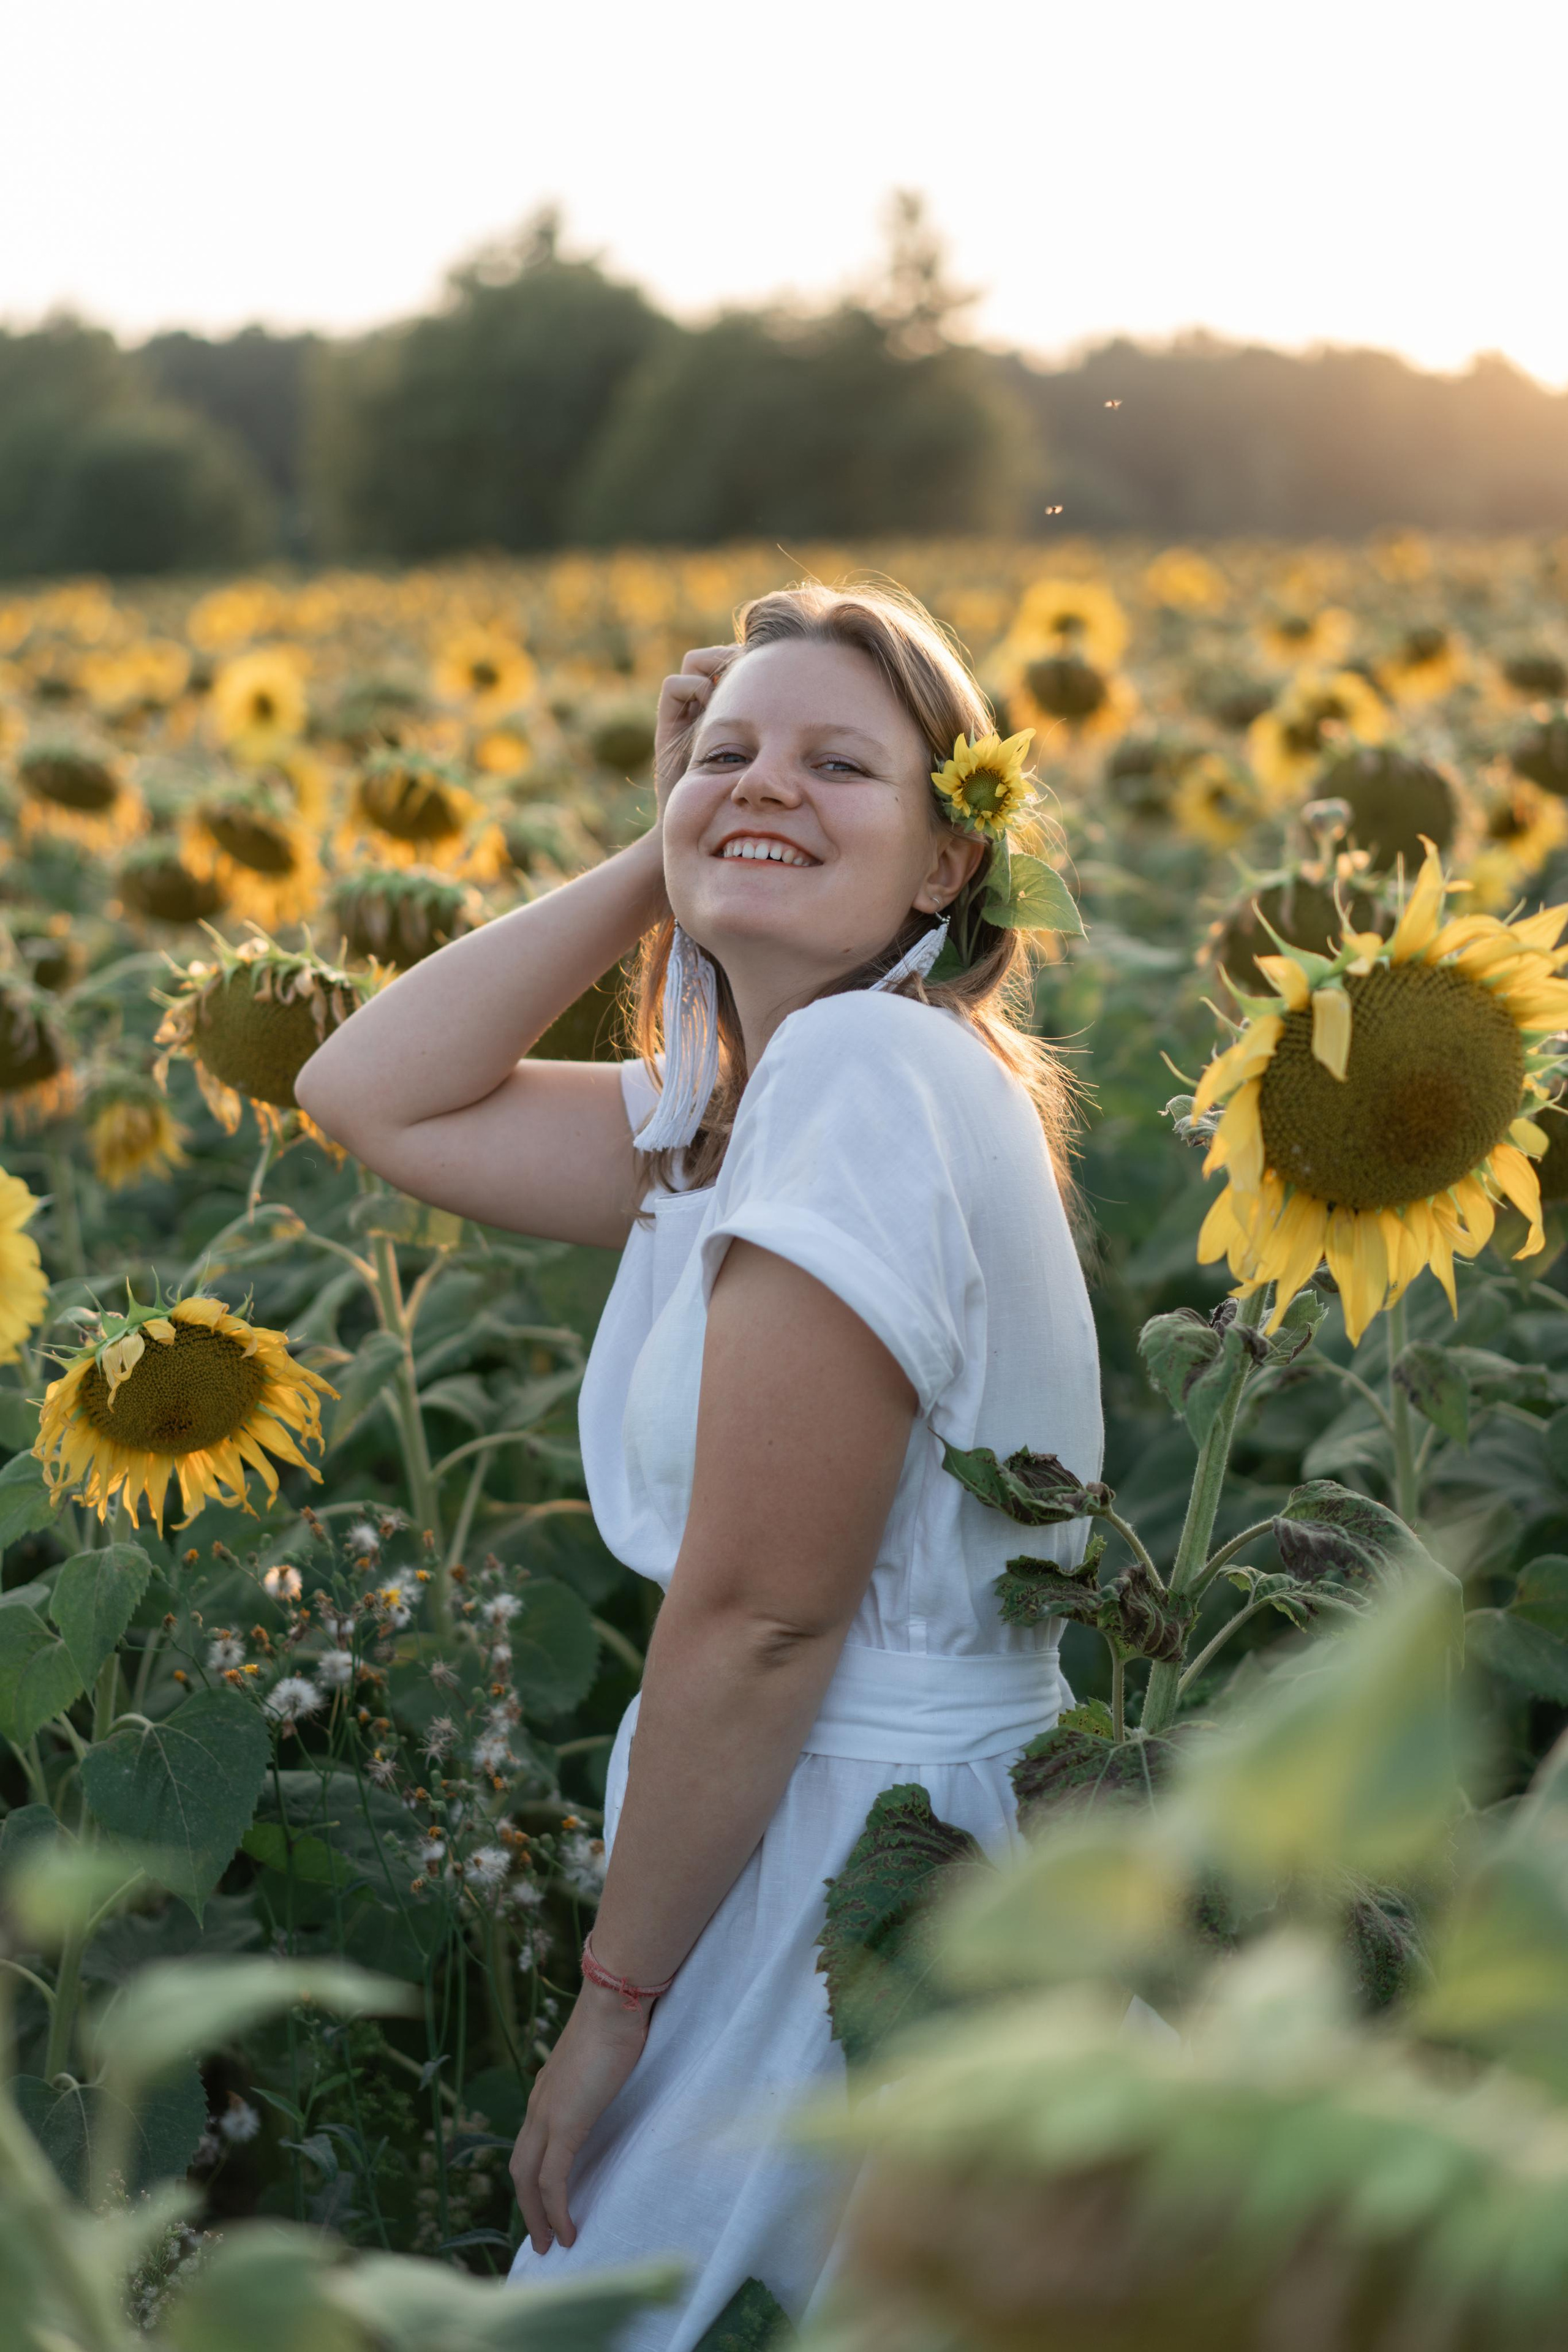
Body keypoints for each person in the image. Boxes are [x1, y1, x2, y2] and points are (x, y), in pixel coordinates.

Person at [293, 581, 1103, 2349]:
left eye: (840, 764)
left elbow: (759, 1620)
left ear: (949, 861)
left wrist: (613, 1998)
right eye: (726, 750)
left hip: (839, 1874)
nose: (766, 782)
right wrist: (676, 846)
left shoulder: (862, 1077)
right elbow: (366, 1094)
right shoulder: (758, 1110)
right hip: (851, 1834)